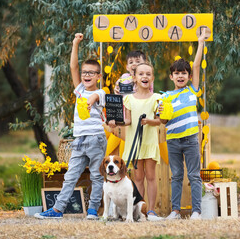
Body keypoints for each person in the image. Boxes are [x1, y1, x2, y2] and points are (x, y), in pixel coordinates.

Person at [35, 33, 107, 220]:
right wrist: (75, 43)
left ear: (98, 76)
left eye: (92, 73)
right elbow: (73, 66)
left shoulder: (100, 91)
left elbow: (95, 97)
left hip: (96, 139)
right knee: (70, 176)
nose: (87, 75)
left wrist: (91, 101)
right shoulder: (80, 90)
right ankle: (57, 210)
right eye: (85, 73)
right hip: (79, 140)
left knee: (96, 176)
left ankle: (92, 210)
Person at [159, 29, 207, 220]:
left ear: (188, 76)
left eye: (184, 73)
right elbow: (162, 121)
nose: (180, 76)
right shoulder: (165, 96)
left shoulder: (192, 91)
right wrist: (161, 114)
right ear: (171, 77)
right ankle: (175, 211)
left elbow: (197, 66)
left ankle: (196, 211)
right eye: (177, 73)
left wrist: (200, 42)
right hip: (173, 141)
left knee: (194, 175)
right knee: (177, 176)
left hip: (191, 140)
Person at [109, 62, 162, 221]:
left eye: (148, 74)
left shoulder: (157, 98)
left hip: (149, 142)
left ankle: (151, 211)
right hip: (134, 143)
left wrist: (149, 121)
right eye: (141, 74)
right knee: (138, 178)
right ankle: (140, 211)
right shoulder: (129, 99)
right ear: (134, 78)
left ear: (152, 78)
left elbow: (160, 120)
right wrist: (115, 122)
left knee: (151, 176)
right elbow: (127, 121)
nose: (144, 76)